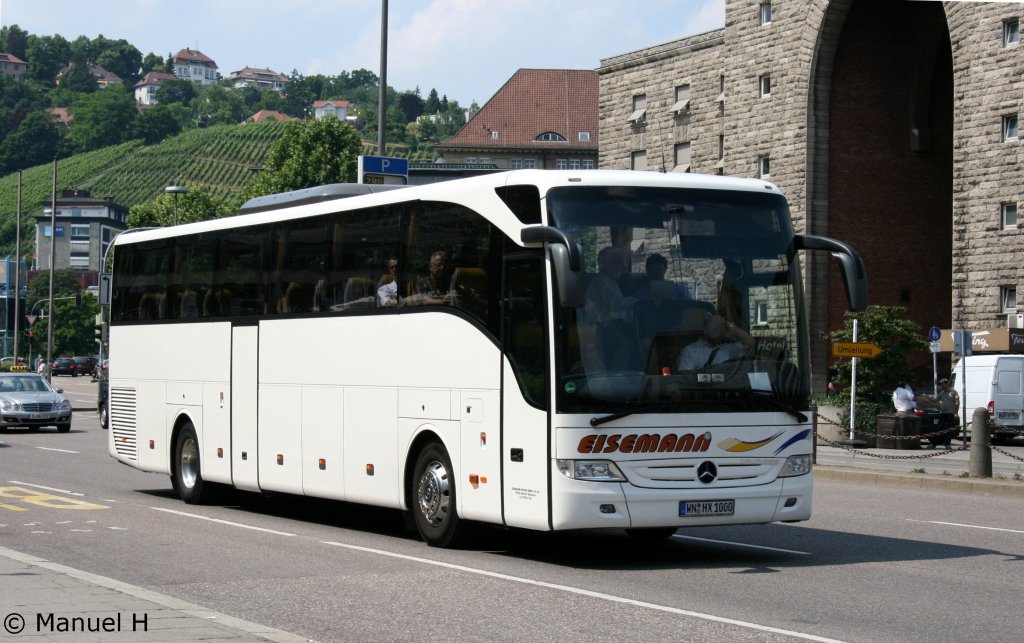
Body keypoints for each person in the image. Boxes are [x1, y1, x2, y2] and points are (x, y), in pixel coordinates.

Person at [584, 246, 638, 370]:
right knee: (624, 344)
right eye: (616, 262)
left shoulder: (611, 281)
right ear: (604, 265)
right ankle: (618, 373)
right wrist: (636, 302)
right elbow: (615, 304)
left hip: (611, 324)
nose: (622, 267)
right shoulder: (601, 282)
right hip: (600, 327)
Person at [676, 313, 755, 372]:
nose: (718, 330)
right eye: (715, 327)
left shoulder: (729, 348)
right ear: (705, 329)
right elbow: (685, 375)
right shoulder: (691, 351)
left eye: (721, 328)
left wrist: (730, 327)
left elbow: (750, 342)